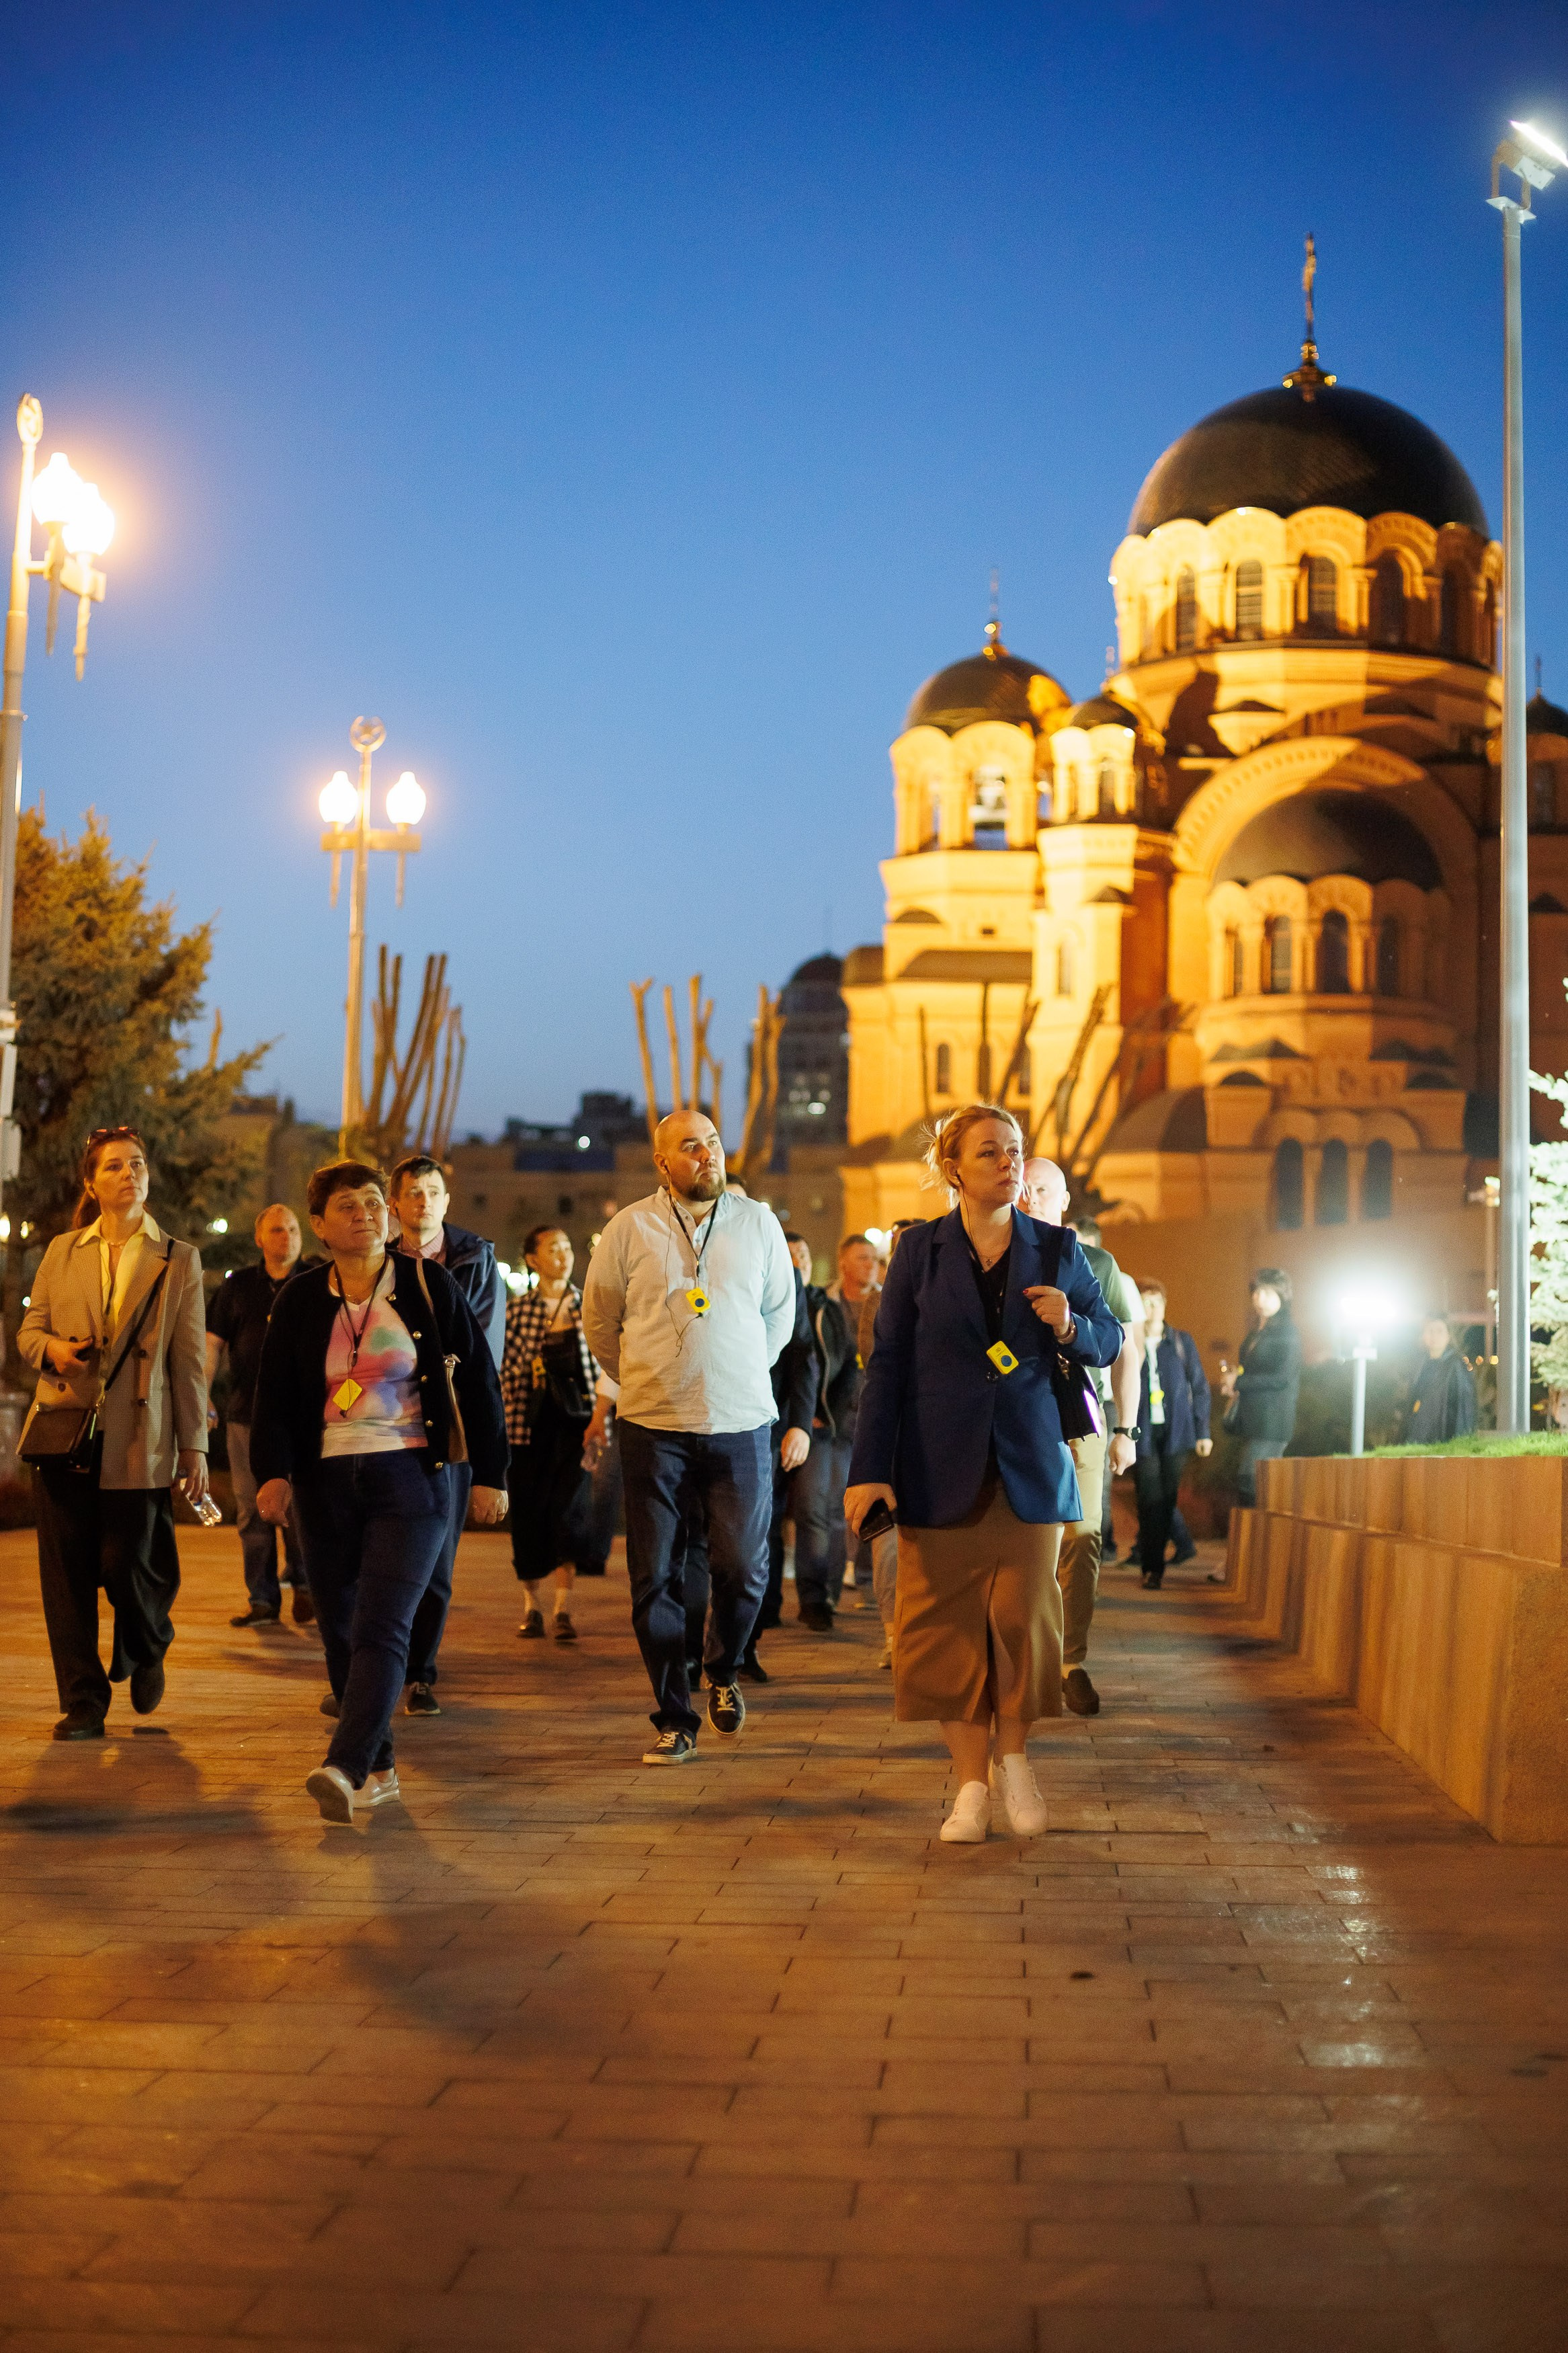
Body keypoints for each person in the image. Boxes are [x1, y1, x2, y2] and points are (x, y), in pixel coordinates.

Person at [845, 1105, 1121, 1843]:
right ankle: (970, 1786)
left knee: (1022, 1620)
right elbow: (887, 1366)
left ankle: (1015, 1761)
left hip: (1028, 1461)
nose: (1008, 1163)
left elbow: (1107, 1338)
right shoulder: (918, 1251)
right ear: (953, 1169)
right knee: (946, 1632)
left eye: (1015, 1150)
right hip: (935, 1464)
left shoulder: (1057, 1247)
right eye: (990, 1152)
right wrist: (868, 1470)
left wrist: (1069, 1323)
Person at [249, 1160, 507, 1823]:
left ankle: (345, 1764)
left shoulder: (426, 1282)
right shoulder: (300, 1299)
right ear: (319, 1224)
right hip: (325, 1480)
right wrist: (272, 1473)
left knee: (382, 1623)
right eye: (347, 1206)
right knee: (338, 1628)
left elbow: (479, 1381)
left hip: (411, 1476)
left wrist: (490, 1474)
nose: (365, 1214)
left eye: (373, 1203)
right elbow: (273, 1395)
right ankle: (381, 1767)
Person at [581, 1109, 795, 1765]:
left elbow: (779, 1317)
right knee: (653, 1576)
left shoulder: (757, 1223)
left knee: (744, 1567)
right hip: (652, 1427)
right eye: (690, 1146)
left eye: (712, 1143)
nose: (707, 1154)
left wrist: (730, 1372)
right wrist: (650, 1378)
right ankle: (675, 1716)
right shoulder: (628, 1228)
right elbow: (600, 1322)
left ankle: (723, 1668)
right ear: (662, 1162)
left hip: (740, 1423)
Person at [18, 1126, 210, 1741]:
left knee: (127, 1562)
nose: (130, 1174)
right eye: (115, 1166)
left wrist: (194, 1446)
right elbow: (29, 1331)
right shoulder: (63, 1251)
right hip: (64, 1430)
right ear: (91, 1183)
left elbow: (189, 1360)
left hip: (139, 1432)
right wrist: (52, 1350)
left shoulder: (177, 1257)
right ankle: (83, 1701)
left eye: (138, 1164)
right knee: (66, 1576)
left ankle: (148, 1641)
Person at [1019, 1165, 1142, 1718]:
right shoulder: (993, 1256)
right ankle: (1028, 1651)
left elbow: (1124, 1350)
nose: (1030, 1197)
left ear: (1065, 1199)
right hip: (1019, 1417)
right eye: (1023, 1188)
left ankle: (1071, 1660)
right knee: (1026, 1539)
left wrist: (1126, 1430)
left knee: (1083, 1534)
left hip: (1083, 1417)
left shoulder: (1095, 1263)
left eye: (1042, 1189)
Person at [388, 1153, 505, 1714]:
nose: (424, 1201)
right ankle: (373, 1668)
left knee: (436, 1558)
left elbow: (479, 1351)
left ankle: (419, 1673)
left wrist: (491, 1467)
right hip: (385, 1422)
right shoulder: (375, 1260)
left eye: (433, 1192)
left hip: (450, 1424)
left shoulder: (475, 1260)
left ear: (446, 1201)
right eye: (413, 1192)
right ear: (395, 1203)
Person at [206, 1203, 312, 1628]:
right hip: (245, 1416)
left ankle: (306, 1585)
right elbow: (212, 1345)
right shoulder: (237, 1287)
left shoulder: (316, 1281)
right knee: (252, 1510)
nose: (287, 1237)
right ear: (260, 1238)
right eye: (277, 1230)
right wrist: (203, 1396)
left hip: (305, 1419)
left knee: (301, 1507)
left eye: (293, 1229)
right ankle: (263, 1599)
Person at [501, 1224, 600, 1641]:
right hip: (527, 1424)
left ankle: (562, 1609)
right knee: (528, 1513)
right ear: (532, 1260)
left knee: (569, 1513)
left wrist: (602, 1423)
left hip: (576, 1427)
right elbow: (503, 1369)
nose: (563, 1255)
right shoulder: (516, 1311)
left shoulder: (589, 1306)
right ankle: (531, 1606)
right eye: (553, 1248)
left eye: (567, 1247)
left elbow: (605, 1368)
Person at [794, 1232, 877, 1631]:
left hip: (872, 1420)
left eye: (875, 1259)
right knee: (824, 1508)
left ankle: (860, 1581)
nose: (871, 1265)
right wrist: (811, 1410)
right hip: (831, 1420)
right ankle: (821, 1596)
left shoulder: (886, 1303)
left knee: (863, 1509)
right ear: (843, 1263)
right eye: (863, 1258)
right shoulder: (823, 1304)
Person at [745, 1231, 817, 1681]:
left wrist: (799, 1424)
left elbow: (802, 1354)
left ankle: (744, 1640)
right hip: (687, 1421)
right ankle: (690, 1648)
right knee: (694, 1539)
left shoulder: (783, 1275)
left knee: (758, 1532)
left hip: (763, 1422)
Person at [856, 1217, 921, 1666]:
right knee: (888, 1538)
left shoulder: (953, 1294)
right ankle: (894, 1635)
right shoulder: (877, 1302)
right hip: (895, 1430)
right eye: (899, 1248)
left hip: (944, 1432)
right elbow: (874, 1360)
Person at [1132, 1281, 1212, 1589]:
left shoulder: (1180, 1341)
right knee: (1148, 1499)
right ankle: (1153, 1567)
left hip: (1177, 1431)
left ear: (1165, 1305)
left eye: (1157, 1302)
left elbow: (1199, 1386)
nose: (1152, 1309)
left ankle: (1154, 1563)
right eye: (1145, 1302)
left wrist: (1203, 1432)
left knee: (1166, 1500)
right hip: (1143, 1431)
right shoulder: (1129, 1339)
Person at [1219, 1267, 1302, 1506]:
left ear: (1282, 1296)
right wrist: (1235, 1380)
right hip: (1254, 1418)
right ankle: (1256, 1527)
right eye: (1256, 1292)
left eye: (1267, 1293)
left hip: (1273, 1420)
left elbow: (1283, 1377)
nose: (1259, 1298)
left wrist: (1239, 1382)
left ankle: (1259, 1528)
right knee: (1251, 1481)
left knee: (1252, 1480)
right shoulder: (1259, 1331)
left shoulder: (1288, 1332)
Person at [1397, 1316, 1478, 1444]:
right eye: (1430, 1331)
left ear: (1448, 1336)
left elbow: (1463, 1410)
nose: (1434, 1336)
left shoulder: (1456, 1366)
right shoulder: (1420, 1365)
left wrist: (1457, 1443)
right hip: (1417, 1438)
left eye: (1439, 1331)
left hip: (1442, 1440)